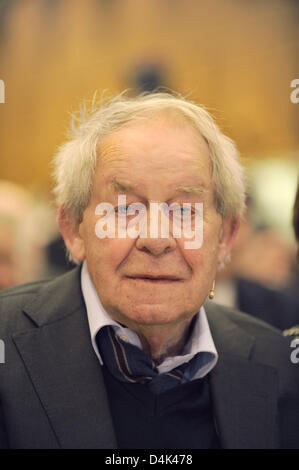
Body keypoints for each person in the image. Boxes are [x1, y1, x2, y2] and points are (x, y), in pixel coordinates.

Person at [0, 92, 298, 449]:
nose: (156, 239)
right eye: (125, 210)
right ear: (73, 228)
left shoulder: (276, 363)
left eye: (185, 211)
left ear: (226, 237)